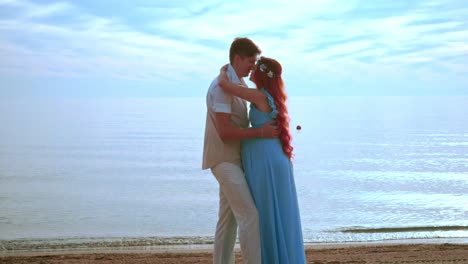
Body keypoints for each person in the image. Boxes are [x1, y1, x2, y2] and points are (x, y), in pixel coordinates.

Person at [217, 56, 306, 263]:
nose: (252, 70)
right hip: (273, 158)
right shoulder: (270, 96)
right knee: (276, 212)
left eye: (255, 67)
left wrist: (224, 70)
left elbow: (225, 85)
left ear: (261, 74)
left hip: (266, 161)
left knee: (265, 211)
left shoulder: (259, 96)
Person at [202, 38, 279, 264]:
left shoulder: (236, 84)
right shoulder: (219, 88)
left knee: (228, 221)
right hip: (223, 160)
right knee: (249, 215)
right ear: (237, 58)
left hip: (235, 160)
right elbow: (225, 132)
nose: (253, 67)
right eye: (250, 61)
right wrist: (261, 132)